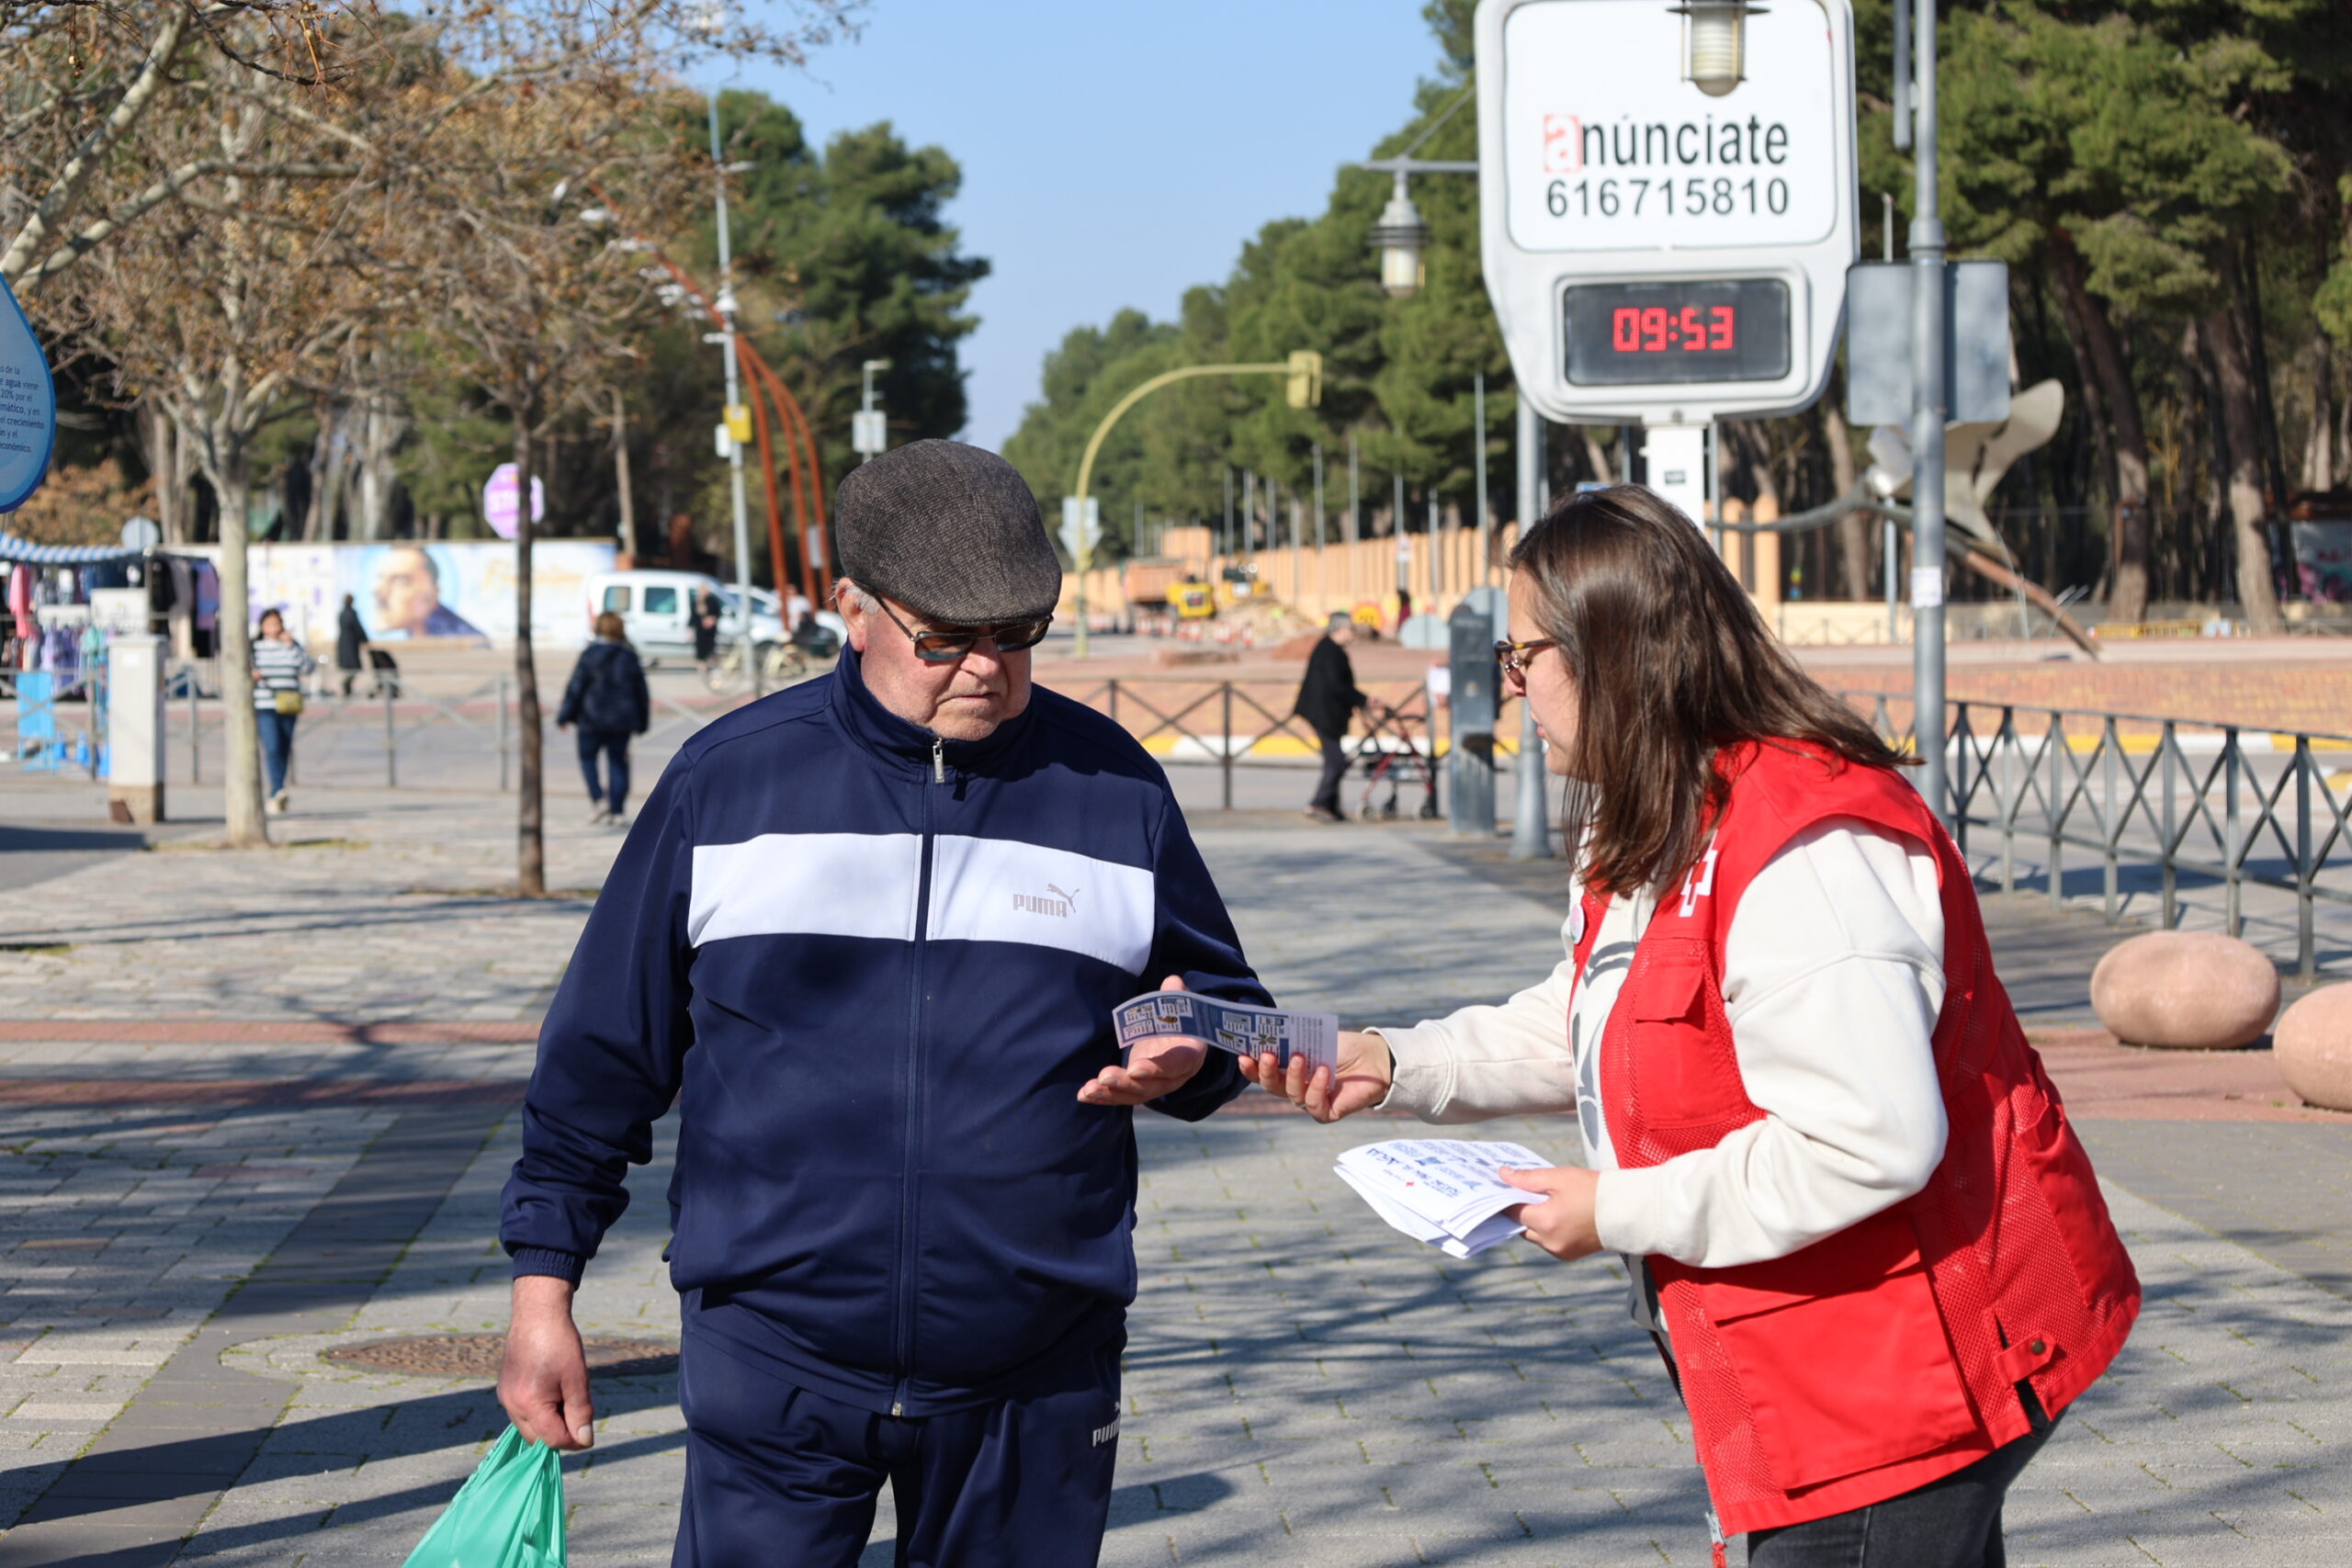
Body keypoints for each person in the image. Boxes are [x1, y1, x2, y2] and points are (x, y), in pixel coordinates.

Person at [1243, 486, 2141, 1568]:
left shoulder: (1806, 849)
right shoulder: (1663, 806)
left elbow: (1865, 1141)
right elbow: (1598, 1018)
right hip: (1812, 1368)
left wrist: (1613, 1209)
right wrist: (1395, 1063)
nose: (1511, 688)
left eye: (1523, 658)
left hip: (1898, 1380)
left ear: (1612, 651)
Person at [497, 440, 1272, 1568]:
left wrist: (1191, 1053)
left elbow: (1228, 1011)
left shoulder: (1115, 788)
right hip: (771, 1356)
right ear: (851, 609)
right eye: (946, 639)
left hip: (1037, 1366)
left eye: (1019, 634)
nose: (987, 669)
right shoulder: (727, 784)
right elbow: (600, 1061)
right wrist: (542, 1294)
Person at [557, 610, 650, 825]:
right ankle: (617, 811)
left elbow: (576, 686)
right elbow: (641, 692)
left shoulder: (589, 654)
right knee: (618, 762)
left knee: (587, 759)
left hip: (591, 717)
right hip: (622, 719)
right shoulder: (629, 656)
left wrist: (564, 715)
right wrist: (642, 722)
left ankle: (598, 799)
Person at [1293, 610, 1367, 822]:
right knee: (1336, 760)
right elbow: (1338, 686)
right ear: (1339, 629)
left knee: (1335, 760)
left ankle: (1331, 807)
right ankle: (1318, 803)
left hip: (1327, 713)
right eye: (1351, 629)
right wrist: (1363, 700)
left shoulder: (1330, 649)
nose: (1353, 633)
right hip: (1323, 714)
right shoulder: (1331, 651)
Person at [250, 608, 314, 815]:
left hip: (289, 704)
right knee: (273, 746)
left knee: (285, 747)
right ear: (262, 627)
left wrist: (291, 645)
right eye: (270, 624)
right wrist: (253, 674)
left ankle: (278, 788)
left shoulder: (292, 646)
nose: (274, 628)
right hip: (265, 704)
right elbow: (246, 670)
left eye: (277, 624)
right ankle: (277, 790)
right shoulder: (255, 648)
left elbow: (308, 668)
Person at [371, 546, 484, 639]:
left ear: (432, 593)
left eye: (400, 580)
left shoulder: (466, 639)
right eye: (380, 578)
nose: (379, 591)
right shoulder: (415, 635)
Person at [334, 593, 368, 697]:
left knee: (350, 669)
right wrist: (365, 639)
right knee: (354, 668)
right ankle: (346, 685)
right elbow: (358, 627)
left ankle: (348, 688)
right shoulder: (351, 613)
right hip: (351, 644)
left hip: (344, 643)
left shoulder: (341, 613)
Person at [691, 586, 721, 673]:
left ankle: (711, 664)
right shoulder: (697, 601)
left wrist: (711, 620)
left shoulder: (713, 601)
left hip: (710, 629)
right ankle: (702, 665)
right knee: (700, 647)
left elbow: (717, 613)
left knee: (710, 647)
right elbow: (694, 615)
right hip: (700, 629)